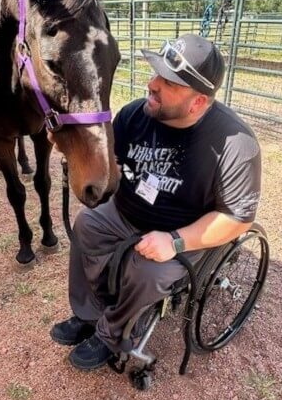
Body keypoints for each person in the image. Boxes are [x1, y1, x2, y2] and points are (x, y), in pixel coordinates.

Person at [50, 33, 261, 371]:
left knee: (148, 270)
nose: (152, 84)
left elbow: (237, 219)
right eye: (156, 73)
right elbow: (109, 166)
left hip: (184, 230)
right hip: (125, 212)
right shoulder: (135, 114)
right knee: (86, 225)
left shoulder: (234, 143)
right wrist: (74, 151)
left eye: (169, 81)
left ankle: (113, 334)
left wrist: (175, 241)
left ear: (198, 102)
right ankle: (90, 314)